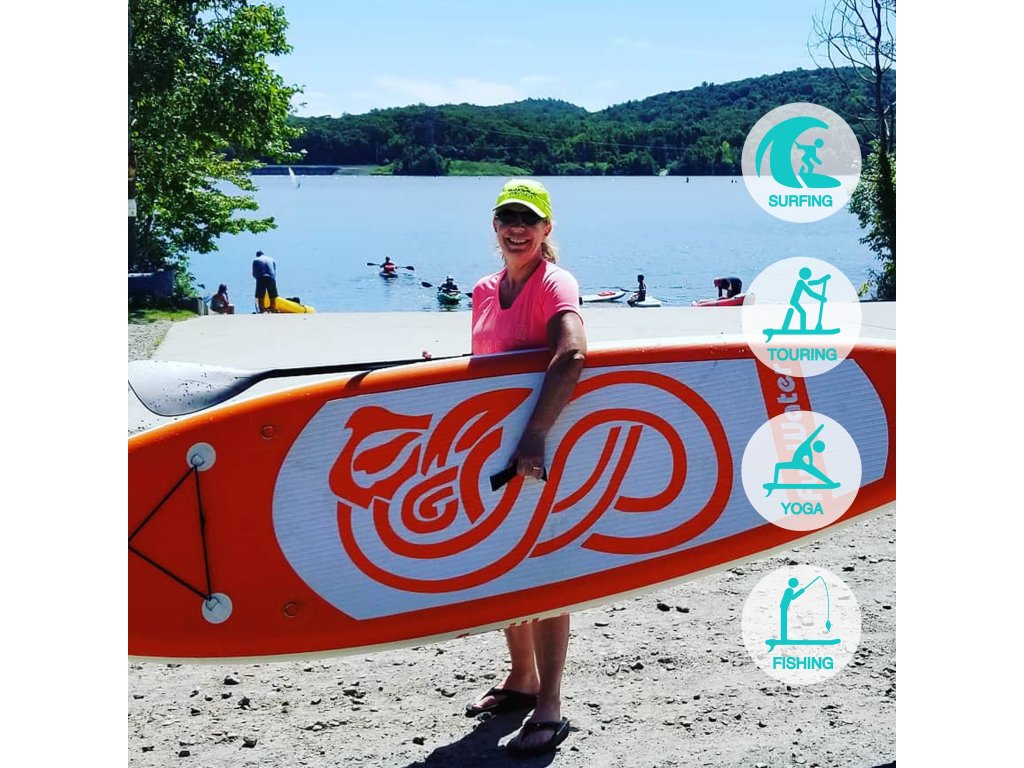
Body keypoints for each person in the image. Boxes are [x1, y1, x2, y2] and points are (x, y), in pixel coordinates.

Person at [465, 178, 586, 757]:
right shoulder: (484, 290)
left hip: (539, 447)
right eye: (507, 219)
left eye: (528, 220)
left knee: (543, 571)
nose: (517, 229)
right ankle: (522, 678)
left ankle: (550, 705)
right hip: (492, 448)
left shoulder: (555, 282)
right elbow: (484, 366)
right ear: (495, 226)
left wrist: (534, 435)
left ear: (546, 228)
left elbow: (573, 354)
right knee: (502, 563)